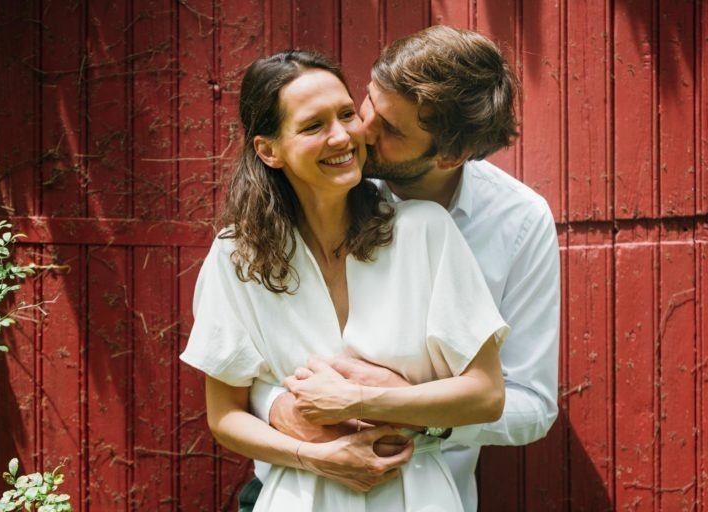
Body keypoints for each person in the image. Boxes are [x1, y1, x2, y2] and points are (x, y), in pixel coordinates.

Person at [180, 49, 511, 511]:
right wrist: (316, 457)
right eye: (314, 126)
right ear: (268, 150)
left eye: (346, 114)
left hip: (417, 495)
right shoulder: (236, 256)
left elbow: (487, 394)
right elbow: (224, 415)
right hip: (297, 495)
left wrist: (356, 399)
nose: (342, 137)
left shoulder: (424, 231)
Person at [248, 25, 561, 512]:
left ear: (452, 154)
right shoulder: (317, 180)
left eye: (391, 130)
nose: (361, 130)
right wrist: (279, 409)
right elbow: (246, 356)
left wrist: (416, 409)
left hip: (424, 492)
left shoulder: (518, 223)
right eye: (368, 101)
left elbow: (532, 405)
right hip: (289, 486)